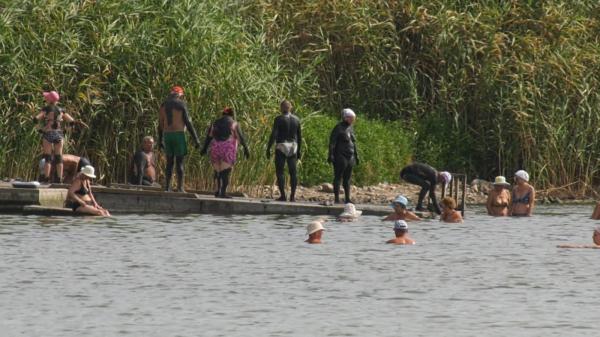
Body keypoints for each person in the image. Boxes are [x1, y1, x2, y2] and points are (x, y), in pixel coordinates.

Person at [34, 91, 87, 183]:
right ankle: (59, 179)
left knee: (48, 158)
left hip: (48, 133)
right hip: (59, 133)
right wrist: (65, 131)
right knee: (59, 158)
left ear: (49, 99)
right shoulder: (61, 110)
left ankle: (46, 178)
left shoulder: (46, 109)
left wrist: (40, 129)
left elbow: (35, 119)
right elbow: (72, 121)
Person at [158, 86, 201, 192]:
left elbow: (160, 124)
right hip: (178, 135)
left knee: (169, 162)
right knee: (180, 162)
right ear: (179, 94)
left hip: (167, 135)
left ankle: (167, 187)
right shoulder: (181, 104)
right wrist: (196, 139)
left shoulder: (163, 105)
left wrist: (160, 140)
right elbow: (188, 122)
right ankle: (180, 188)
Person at [200, 107, 250, 198]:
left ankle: (217, 190)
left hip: (215, 148)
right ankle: (223, 192)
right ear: (232, 115)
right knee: (225, 172)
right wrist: (246, 149)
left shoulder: (215, 123)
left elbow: (209, 137)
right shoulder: (234, 123)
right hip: (227, 148)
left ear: (223, 114)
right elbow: (241, 138)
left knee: (218, 171)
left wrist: (204, 149)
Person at [266, 100, 302, 202]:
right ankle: (292, 196)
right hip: (293, 146)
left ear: (281, 108)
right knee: (293, 172)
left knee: (280, 171)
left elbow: (274, 134)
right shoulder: (296, 119)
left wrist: (268, 148)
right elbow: (299, 137)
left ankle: (283, 196)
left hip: (282, 145)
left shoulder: (278, 119)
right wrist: (299, 150)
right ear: (290, 108)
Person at [328, 108, 359, 204]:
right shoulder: (338, 128)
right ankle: (337, 198)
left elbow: (353, 143)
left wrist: (357, 155)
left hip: (350, 156)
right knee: (338, 177)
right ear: (346, 118)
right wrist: (331, 154)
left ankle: (347, 198)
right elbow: (332, 142)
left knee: (347, 178)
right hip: (340, 155)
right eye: (351, 118)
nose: (353, 120)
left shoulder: (351, 128)